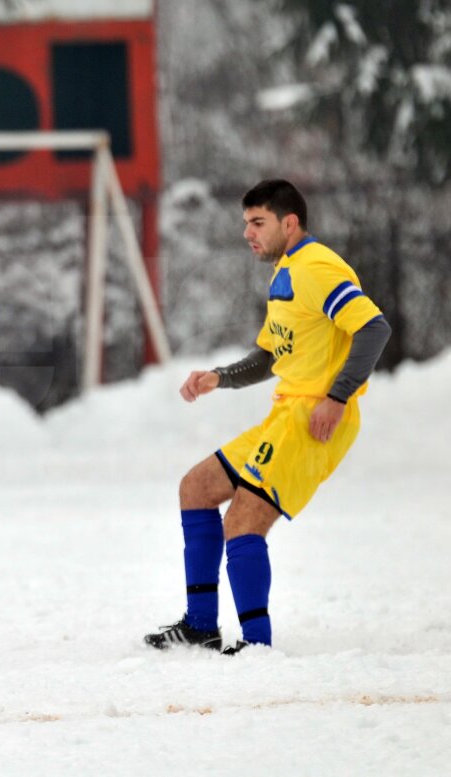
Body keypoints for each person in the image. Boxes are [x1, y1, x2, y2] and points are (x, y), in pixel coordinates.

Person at [144, 179, 391, 655]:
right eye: (246, 224)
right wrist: (220, 376)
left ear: (289, 222)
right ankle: (200, 626)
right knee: (195, 488)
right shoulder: (286, 270)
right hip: (286, 414)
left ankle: (256, 645)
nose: (247, 233)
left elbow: (374, 328)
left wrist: (337, 398)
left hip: (315, 418)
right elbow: (268, 356)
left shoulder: (316, 267)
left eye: (257, 223)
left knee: (243, 519)